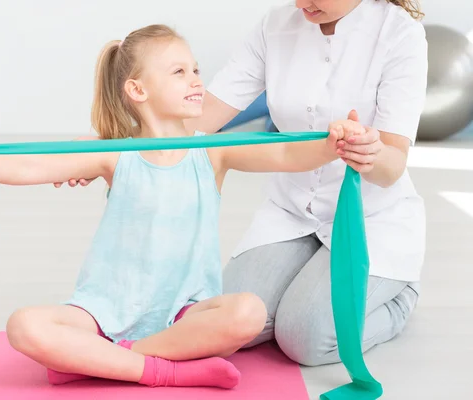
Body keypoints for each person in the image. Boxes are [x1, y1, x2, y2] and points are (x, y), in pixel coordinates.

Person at [0, 24, 363, 389]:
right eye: (179, 72)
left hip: (183, 313)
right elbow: (31, 166)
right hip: (104, 312)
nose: (196, 80)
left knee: (246, 312)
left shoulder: (213, 152)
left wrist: (333, 144)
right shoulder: (115, 153)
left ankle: (107, 362)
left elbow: (286, 154)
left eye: (195, 69)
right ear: (138, 90)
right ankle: (164, 370)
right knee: (23, 326)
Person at [55, 0, 428, 368]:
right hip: (293, 214)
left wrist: (368, 152)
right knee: (215, 321)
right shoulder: (276, 25)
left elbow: (392, 165)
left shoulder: (399, 34)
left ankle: (397, 300)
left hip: (368, 219)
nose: (299, 3)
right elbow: (200, 122)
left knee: (305, 339)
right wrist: (107, 153)